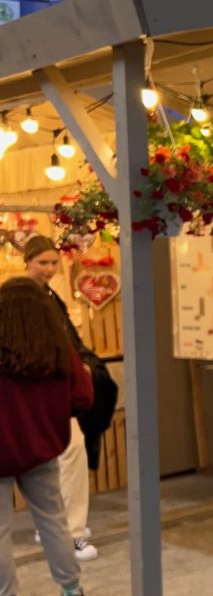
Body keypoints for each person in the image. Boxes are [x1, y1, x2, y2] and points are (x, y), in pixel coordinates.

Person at [0, 277, 93, 596]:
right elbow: (83, 398)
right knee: (53, 521)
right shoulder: (57, 348)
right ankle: (73, 595)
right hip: (42, 449)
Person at [22, 236, 99, 561]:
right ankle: (70, 533)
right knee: (71, 450)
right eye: (43, 262)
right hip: (41, 388)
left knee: (63, 457)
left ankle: (54, 527)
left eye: (54, 262)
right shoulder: (25, 297)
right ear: (27, 261)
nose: (49, 269)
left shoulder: (49, 295)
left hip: (49, 387)